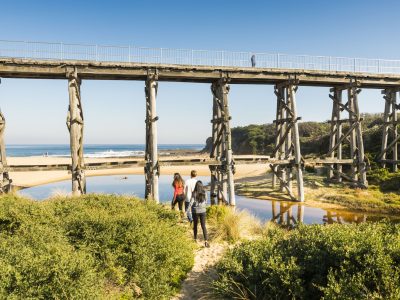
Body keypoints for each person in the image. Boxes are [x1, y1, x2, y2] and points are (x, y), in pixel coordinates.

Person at [187, 180, 209, 247]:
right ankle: (206, 241)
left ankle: (195, 239)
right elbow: (206, 201)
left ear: (196, 186)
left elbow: (191, 203)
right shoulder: (204, 192)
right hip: (203, 211)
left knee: (195, 226)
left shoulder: (194, 193)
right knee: (203, 226)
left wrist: (188, 210)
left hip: (195, 212)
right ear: (202, 186)